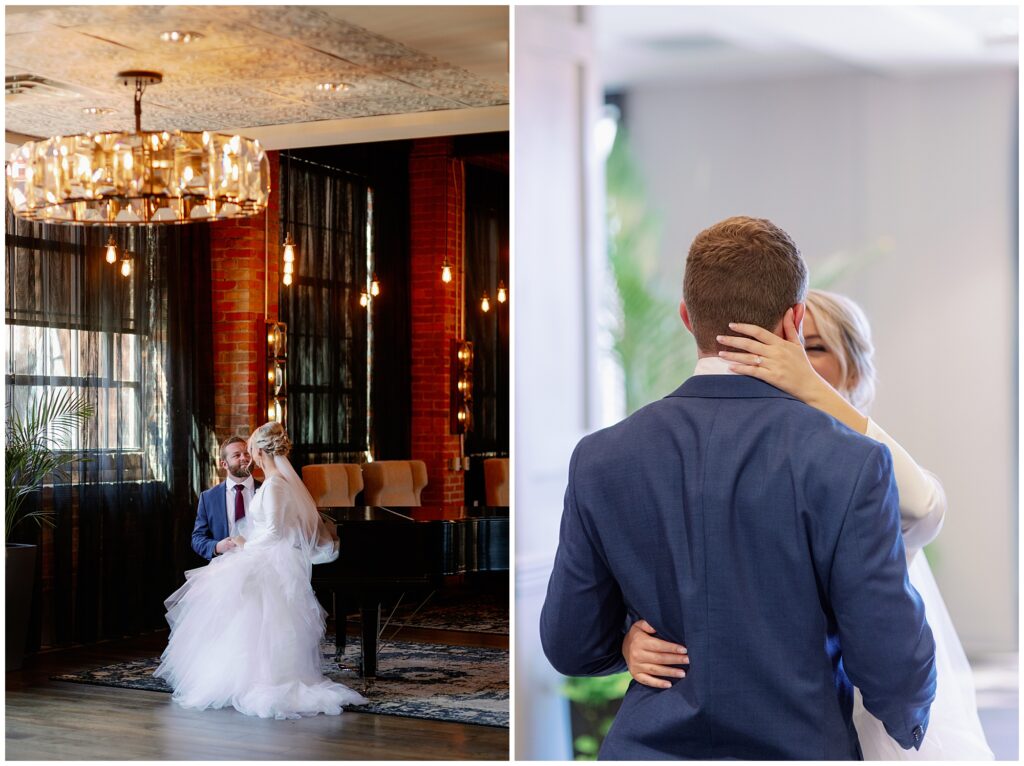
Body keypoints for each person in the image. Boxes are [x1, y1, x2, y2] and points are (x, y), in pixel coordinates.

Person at [540, 216, 936, 759]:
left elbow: (571, 643)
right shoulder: (852, 462)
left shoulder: (601, 458)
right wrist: (909, 719)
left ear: (686, 317)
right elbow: (893, 660)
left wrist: (625, 641)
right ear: (793, 320)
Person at [623, 288, 993, 759]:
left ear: (854, 369)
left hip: (875, 710)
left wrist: (809, 388)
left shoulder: (867, 469)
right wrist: (629, 639)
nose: (787, 360)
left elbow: (924, 508)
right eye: (778, 345)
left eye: (810, 348)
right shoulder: (725, 457)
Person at [155, 422, 368, 719]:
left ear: (259, 450)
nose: (246, 455)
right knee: (241, 618)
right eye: (238, 453)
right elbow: (202, 537)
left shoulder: (275, 485)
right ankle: (237, 677)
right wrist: (230, 546)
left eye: (249, 449)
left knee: (261, 622)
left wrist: (244, 545)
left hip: (267, 560)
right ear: (224, 462)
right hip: (259, 557)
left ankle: (261, 679)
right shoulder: (259, 486)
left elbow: (274, 532)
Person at [191, 436, 259, 560]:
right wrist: (217, 547)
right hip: (224, 566)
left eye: (247, 453)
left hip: (262, 564)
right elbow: (197, 539)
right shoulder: (208, 498)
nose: (244, 458)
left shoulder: (266, 490)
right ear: (224, 464)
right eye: (236, 455)